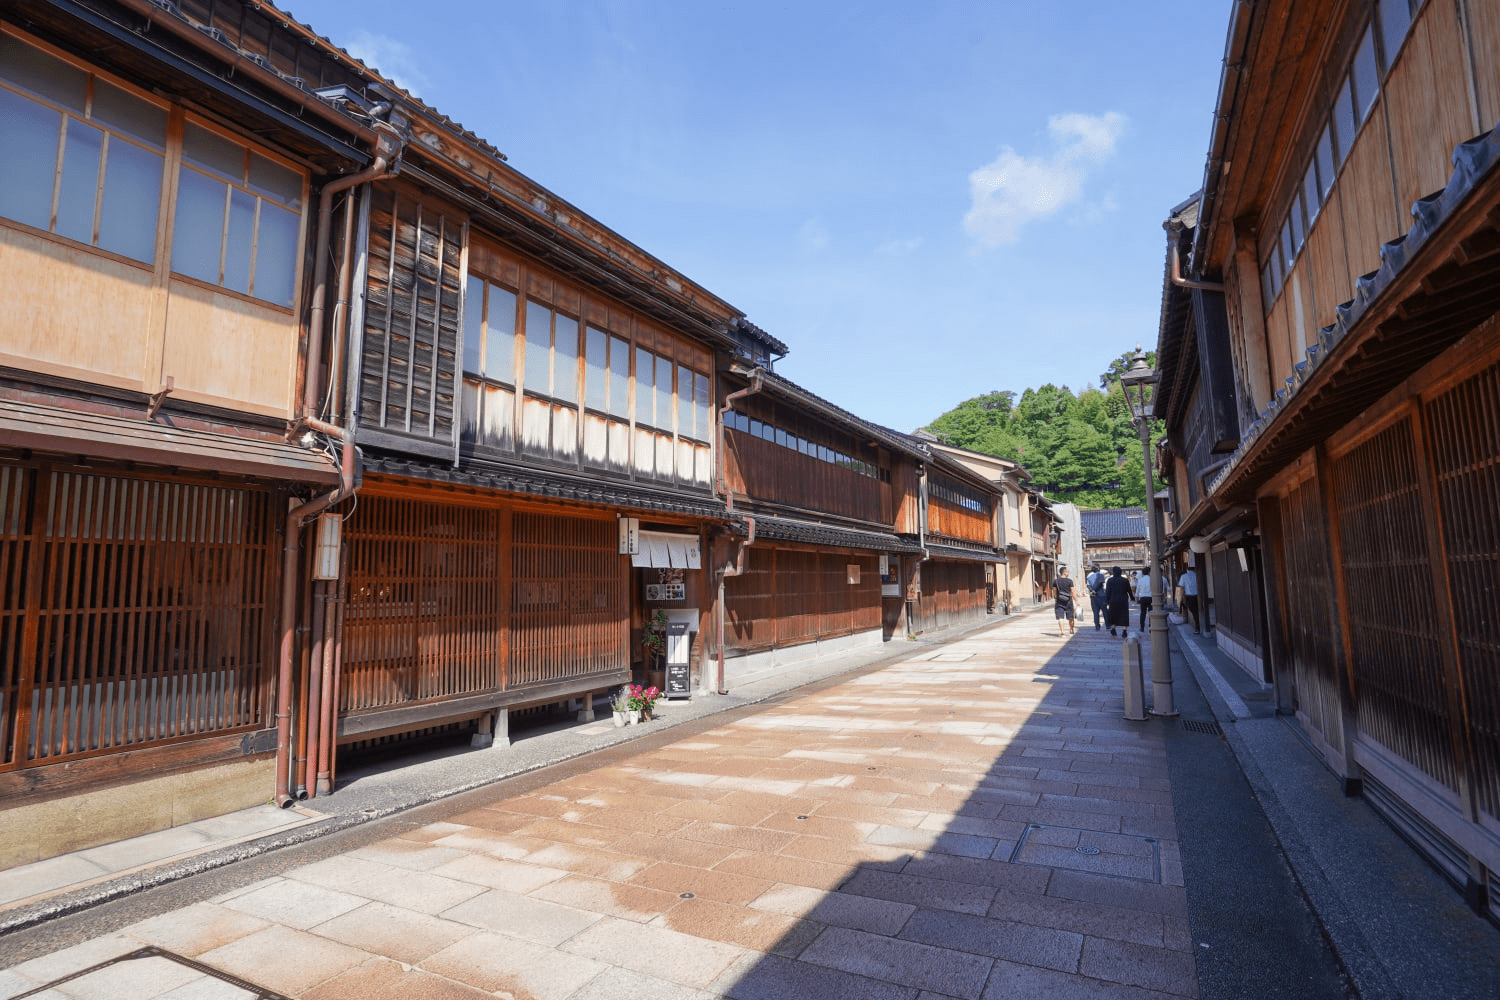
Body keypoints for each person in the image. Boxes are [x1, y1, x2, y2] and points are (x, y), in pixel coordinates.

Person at [1104, 566, 1133, 637]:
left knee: (1113, 614)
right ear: (1120, 572)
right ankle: (1124, 630)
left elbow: (1108, 592)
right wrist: (1132, 598)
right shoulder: (1125, 580)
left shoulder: (1110, 580)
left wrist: (1106, 601)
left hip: (1113, 600)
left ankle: (1113, 628)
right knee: (1124, 615)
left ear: (1113, 572)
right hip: (1123, 600)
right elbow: (1129, 590)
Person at [1052, 567, 1078, 636]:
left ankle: (1062, 632)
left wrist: (1056, 597)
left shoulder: (1056, 581)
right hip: (1068, 600)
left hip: (1059, 600)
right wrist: (1076, 600)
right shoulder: (1069, 581)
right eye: (1068, 572)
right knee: (1070, 616)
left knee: (1060, 617)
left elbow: (1054, 591)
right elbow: (1073, 591)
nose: (1068, 573)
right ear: (1064, 572)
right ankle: (1071, 629)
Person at [1179, 565, 1200, 633]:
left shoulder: (1184, 576)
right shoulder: (1197, 575)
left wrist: (1180, 598)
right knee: (1198, 611)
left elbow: (1182, 588)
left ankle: (1197, 627)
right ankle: (1198, 626)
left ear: (1187, 569)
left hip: (1189, 596)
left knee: (1194, 612)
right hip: (1199, 596)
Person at [1086, 565, 1106, 630]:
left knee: (1095, 611)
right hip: (1101, 595)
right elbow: (1100, 584)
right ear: (1098, 569)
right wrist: (1096, 590)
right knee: (1104, 610)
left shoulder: (1089, 576)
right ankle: (1108, 624)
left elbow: (1088, 585)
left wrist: (1092, 590)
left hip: (1093, 595)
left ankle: (1097, 626)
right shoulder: (1100, 575)